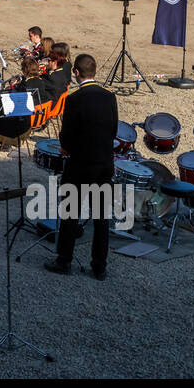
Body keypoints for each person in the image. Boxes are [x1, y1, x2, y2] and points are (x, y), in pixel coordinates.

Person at [46, 54, 117, 281]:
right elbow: (113, 131)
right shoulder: (110, 97)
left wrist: (67, 146)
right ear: (94, 72)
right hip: (104, 164)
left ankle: (64, 261)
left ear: (76, 72)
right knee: (101, 218)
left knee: (70, 215)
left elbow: (66, 137)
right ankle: (100, 267)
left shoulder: (75, 99)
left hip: (80, 165)